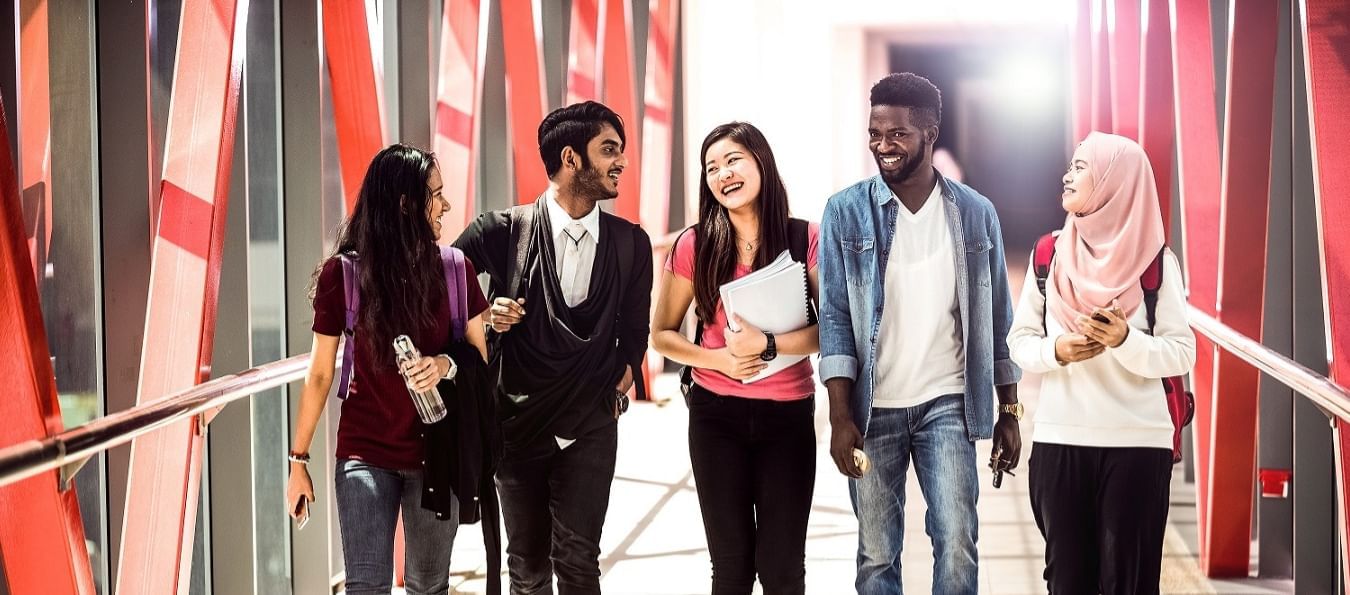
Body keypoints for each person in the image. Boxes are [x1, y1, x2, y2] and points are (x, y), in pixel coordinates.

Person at [817, 72, 1023, 595]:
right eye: (874, 133)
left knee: (957, 541)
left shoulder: (976, 215)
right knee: (877, 553)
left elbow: (999, 318)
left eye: (897, 135)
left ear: (931, 132)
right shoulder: (845, 212)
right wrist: (840, 419)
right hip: (874, 406)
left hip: (947, 403)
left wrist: (1010, 412)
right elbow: (836, 320)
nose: (882, 147)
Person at [453, 100, 653, 595]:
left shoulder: (631, 244)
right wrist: (485, 316)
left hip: (591, 425)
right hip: (517, 425)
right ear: (570, 158)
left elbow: (636, 335)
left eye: (621, 151)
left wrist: (617, 389)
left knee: (580, 561)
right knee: (526, 566)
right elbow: (439, 295)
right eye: (608, 150)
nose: (621, 162)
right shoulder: (500, 231)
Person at [286, 144, 491, 595]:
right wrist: (297, 461)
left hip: (438, 454)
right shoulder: (343, 276)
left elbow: (480, 356)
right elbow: (320, 374)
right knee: (366, 587)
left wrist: (443, 365)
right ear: (405, 205)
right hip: (365, 452)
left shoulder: (456, 270)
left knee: (427, 585)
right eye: (436, 195)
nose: (447, 206)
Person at [1007, 132, 1196, 594]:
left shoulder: (1156, 262)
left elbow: (1181, 350)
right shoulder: (1048, 255)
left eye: (1081, 167)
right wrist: (1058, 351)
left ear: (1117, 181)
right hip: (1060, 439)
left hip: (1137, 446)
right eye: (1070, 166)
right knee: (1067, 582)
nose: (1067, 176)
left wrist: (1125, 340)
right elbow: (1019, 342)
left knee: (1128, 583)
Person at [650, 122, 820, 594]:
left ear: (761, 161)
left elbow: (830, 331)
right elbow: (661, 335)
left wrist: (768, 344)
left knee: (783, 567)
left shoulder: (805, 237)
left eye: (733, 160)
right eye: (711, 168)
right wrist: (719, 359)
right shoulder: (695, 243)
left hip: (787, 416)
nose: (722, 174)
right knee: (731, 567)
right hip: (715, 418)